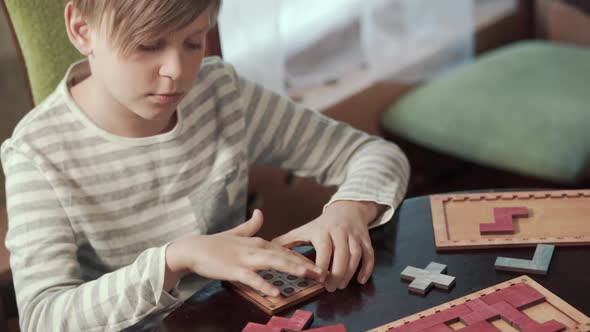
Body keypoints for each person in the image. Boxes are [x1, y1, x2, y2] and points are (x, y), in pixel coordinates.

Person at [1, 0, 410, 330]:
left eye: (193, 42)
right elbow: (43, 317)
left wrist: (349, 210)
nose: (177, 72)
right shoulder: (36, 156)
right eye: (148, 45)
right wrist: (174, 259)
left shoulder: (219, 94)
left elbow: (375, 154)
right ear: (81, 29)